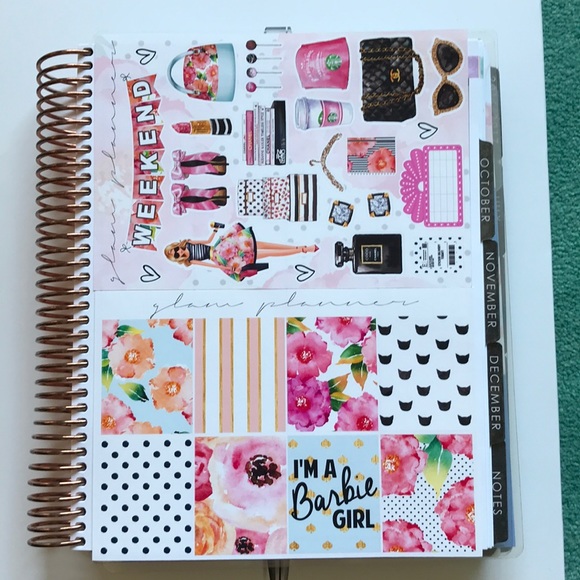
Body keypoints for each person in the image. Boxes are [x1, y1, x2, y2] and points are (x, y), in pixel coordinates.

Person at [164, 222, 318, 281]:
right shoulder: (190, 260)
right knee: (264, 253)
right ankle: (302, 250)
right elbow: (209, 265)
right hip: (221, 258)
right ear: (177, 259)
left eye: (176, 250)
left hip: (222, 245)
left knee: (260, 244)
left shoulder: (189, 243)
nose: (180, 252)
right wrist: (225, 267)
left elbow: (207, 241)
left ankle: (301, 248)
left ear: (177, 245)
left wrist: (215, 230)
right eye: (176, 255)